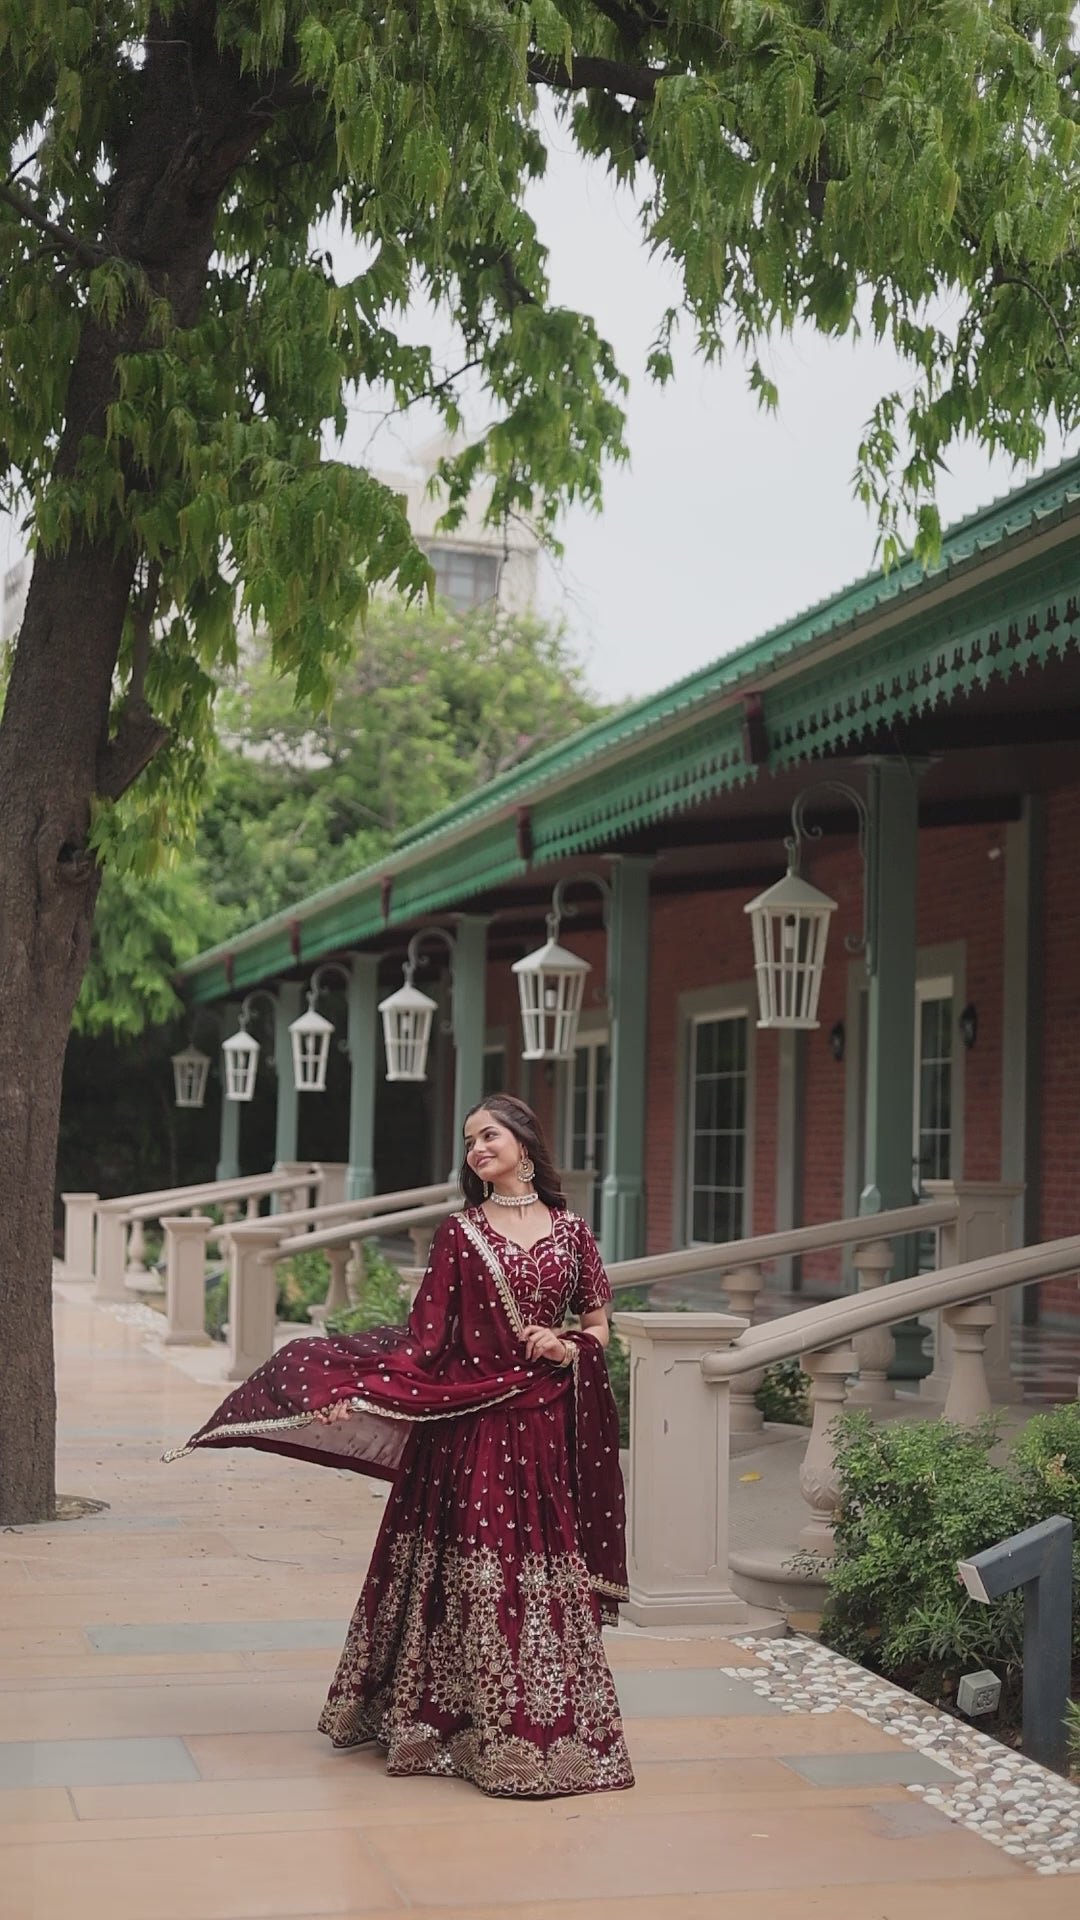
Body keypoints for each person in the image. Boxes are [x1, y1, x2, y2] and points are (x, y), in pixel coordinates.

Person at [165, 1093, 634, 1799]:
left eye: (490, 1135)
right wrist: (361, 1395)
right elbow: (424, 1342)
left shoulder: (573, 1234)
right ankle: (452, 1729)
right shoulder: (459, 1233)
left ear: (525, 1144)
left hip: (538, 1427)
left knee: (535, 1573)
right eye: (470, 1140)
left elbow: (599, 1322)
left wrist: (567, 1345)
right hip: (468, 1427)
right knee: (475, 1569)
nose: (478, 1148)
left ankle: (550, 1737)